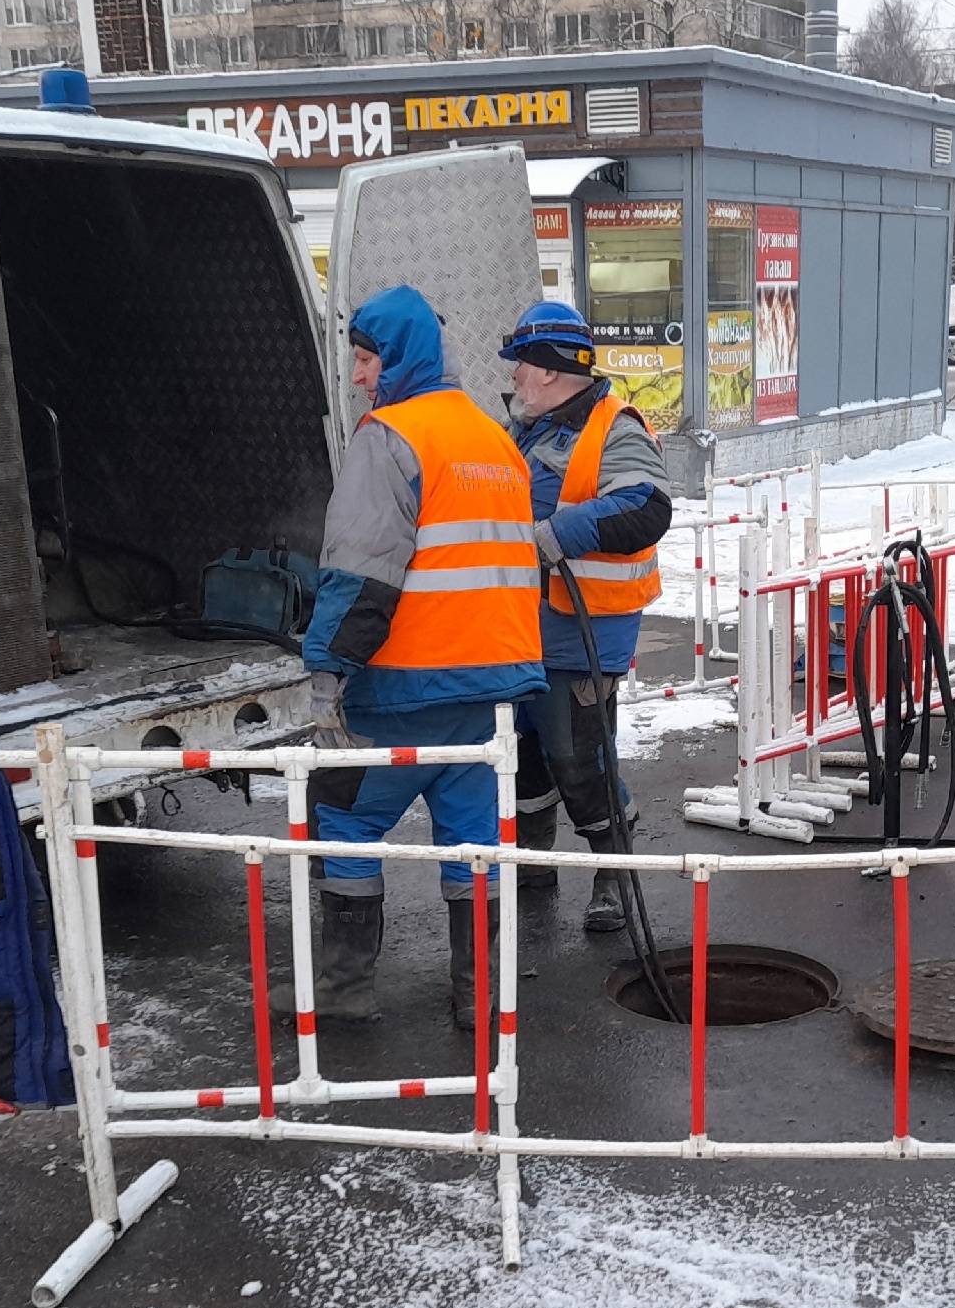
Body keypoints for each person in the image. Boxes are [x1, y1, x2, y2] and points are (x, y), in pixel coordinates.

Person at [288, 284, 543, 1030]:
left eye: (367, 360)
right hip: (490, 690)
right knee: (473, 845)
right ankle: (481, 996)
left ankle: (343, 985)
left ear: (398, 359)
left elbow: (362, 575)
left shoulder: (389, 436)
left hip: (404, 688)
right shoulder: (493, 437)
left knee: (343, 820)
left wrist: (327, 672)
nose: (360, 376)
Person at [498, 301, 672, 933]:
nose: (514, 375)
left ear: (547, 369)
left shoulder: (613, 426)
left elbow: (647, 508)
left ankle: (615, 874)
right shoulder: (524, 428)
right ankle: (534, 861)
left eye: (521, 363)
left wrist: (558, 534)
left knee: (580, 759)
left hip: (582, 634)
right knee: (524, 754)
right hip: (518, 633)